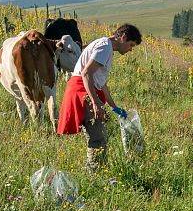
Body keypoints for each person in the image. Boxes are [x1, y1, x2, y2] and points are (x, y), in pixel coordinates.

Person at [57, 23, 142, 170]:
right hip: (82, 91)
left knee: (99, 134)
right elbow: (86, 73)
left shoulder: (105, 46)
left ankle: (95, 169)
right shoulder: (105, 47)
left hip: (83, 89)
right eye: (131, 45)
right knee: (98, 138)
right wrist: (96, 103)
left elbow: (102, 84)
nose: (130, 50)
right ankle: (94, 173)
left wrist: (114, 107)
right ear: (123, 37)